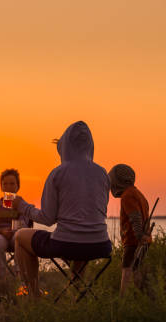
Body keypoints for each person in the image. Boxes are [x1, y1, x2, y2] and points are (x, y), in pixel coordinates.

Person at [12, 121, 112, 296]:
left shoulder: (58, 173)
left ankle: (34, 296)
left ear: (65, 147)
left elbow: (47, 219)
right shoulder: (102, 173)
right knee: (80, 241)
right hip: (100, 245)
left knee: (20, 236)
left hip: (66, 245)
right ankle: (76, 295)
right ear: (90, 146)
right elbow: (98, 212)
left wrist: (23, 207)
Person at [108, 164, 152, 296]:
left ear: (118, 181)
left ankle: (124, 300)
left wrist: (139, 236)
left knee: (126, 270)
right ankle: (140, 296)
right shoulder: (139, 194)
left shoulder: (128, 196)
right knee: (136, 269)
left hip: (134, 241)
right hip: (144, 240)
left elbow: (135, 217)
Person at [0, 169, 33, 278]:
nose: (8, 187)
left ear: (18, 186)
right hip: (1, 236)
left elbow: (24, 224)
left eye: (12, 184)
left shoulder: (22, 205)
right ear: (1, 186)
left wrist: (12, 232)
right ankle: (1, 275)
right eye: (5, 184)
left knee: (19, 238)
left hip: (16, 236)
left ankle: (20, 274)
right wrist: (1, 231)